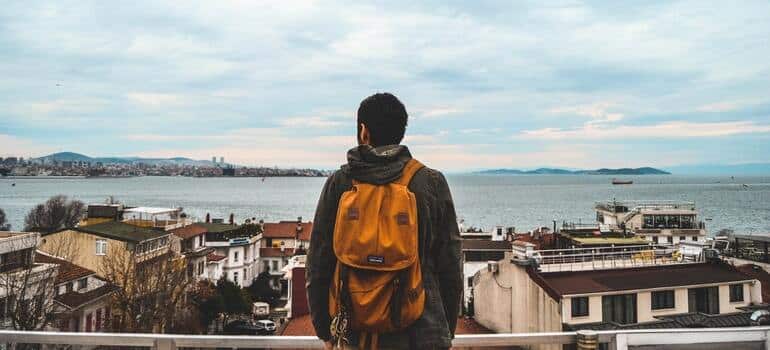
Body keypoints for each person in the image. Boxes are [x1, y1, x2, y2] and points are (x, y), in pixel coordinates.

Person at [307, 93, 462, 349]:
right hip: (422, 332)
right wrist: (446, 329)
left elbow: (318, 262)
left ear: (363, 131)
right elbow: (451, 265)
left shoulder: (340, 183)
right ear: (401, 132)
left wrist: (325, 330)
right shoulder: (430, 182)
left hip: (354, 332)